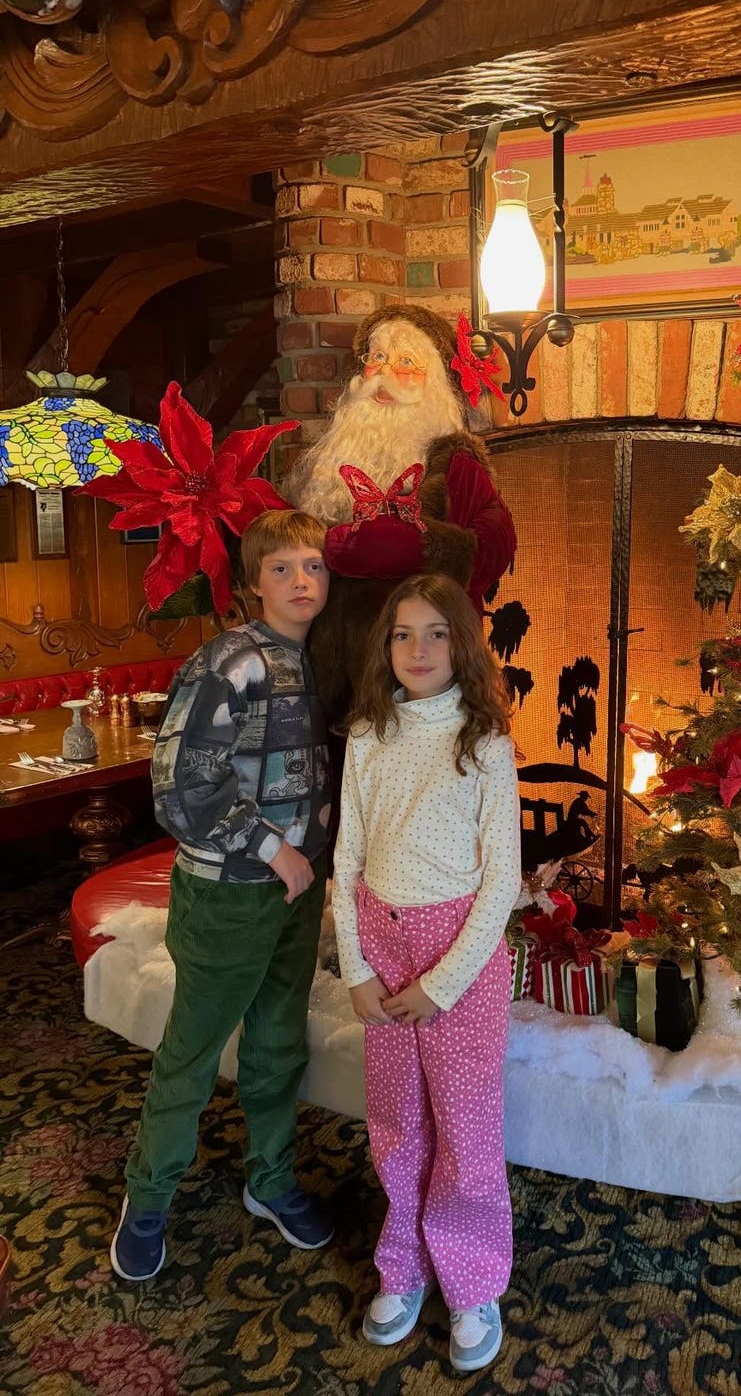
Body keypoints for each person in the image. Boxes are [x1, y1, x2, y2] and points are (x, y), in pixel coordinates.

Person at [111, 509, 334, 1282]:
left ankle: (270, 1180)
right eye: (282, 568)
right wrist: (273, 849)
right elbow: (180, 785)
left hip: (296, 894)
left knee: (278, 1045)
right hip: (229, 895)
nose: (302, 580)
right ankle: (147, 1199)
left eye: (314, 565)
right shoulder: (229, 662)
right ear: (252, 584)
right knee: (192, 1054)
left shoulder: (318, 661)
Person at [332, 572, 520, 1376]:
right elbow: (346, 860)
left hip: (459, 960)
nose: (418, 649)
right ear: (385, 646)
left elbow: (502, 880)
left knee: (464, 1129)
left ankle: (471, 1283)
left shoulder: (485, 744)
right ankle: (403, 1264)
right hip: (383, 945)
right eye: (403, 633)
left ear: (462, 645)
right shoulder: (367, 736)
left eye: (436, 633)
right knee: (398, 1122)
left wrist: (441, 985)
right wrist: (356, 967)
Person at [282, 303, 516, 733]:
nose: (386, 373)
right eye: (377, 357)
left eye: (406, 361)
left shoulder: (455, 464)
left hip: (427, 681)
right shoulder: (327, 468)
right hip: (337, 683)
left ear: (435, 383)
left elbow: (493, 544)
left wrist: (417, 546)